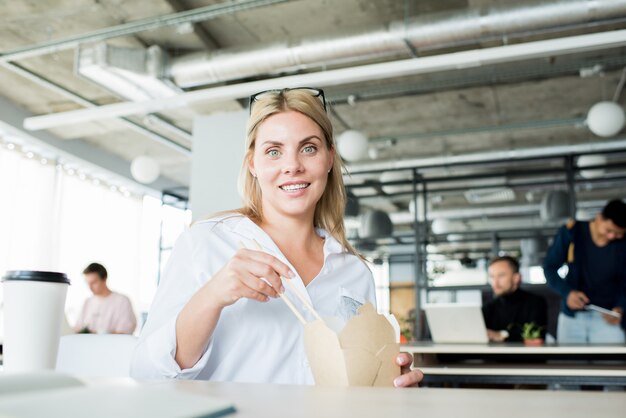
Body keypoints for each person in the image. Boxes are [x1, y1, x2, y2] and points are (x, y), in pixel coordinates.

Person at [130, 88, 423, 387]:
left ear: (330, 158)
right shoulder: (206, 242)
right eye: (273, 151)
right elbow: (147, 372)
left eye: (309, 148)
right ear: (253, 164)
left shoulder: (355, 272)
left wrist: (383, 380)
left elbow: (353, 388)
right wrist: (213, 295)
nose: (292, 165)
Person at [543, 199, 626, 343]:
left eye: (618, 234)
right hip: (572, 317)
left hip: (608, 317)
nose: (612, 236)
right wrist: (567, 292)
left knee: (612, 363)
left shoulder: (623, 243)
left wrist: (621, 306)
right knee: (571, 363)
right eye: (609, 230)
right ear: (599, 217)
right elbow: (549, 267)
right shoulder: (572, 232)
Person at [482, 256, 547, 342]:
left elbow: (535, 338)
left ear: (516, 278)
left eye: (501, 275)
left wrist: (500, 335)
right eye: (492, 276)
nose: (495, 282)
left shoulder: (536, 303)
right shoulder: (488, 307)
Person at [74, 262, 137, 335]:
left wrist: (97, 333)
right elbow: (78, 328)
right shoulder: (87, 302)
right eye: (87, 283)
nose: (90, 287)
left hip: (113, 345)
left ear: (104, 279)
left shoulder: (122, 301)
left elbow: (125, 332)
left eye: (94, 282)